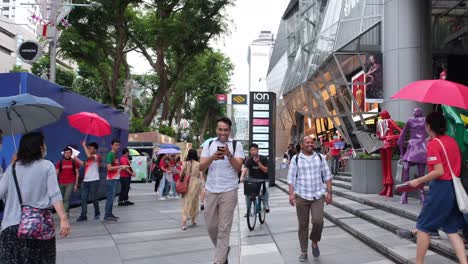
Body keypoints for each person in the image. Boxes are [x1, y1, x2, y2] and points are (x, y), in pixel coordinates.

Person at [403, 112, 467, 264]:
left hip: (440, 188)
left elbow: (439, 171)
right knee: (451, 229)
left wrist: (417, 181)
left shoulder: (433, 144)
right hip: (453, 188)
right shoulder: (452, 141)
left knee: (423, 227)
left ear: (429, 126)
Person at [0, 132, 70, 263]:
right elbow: (54, 193)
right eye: (44, 144)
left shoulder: (12, 168)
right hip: (39, 227)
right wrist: (63, 218)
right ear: (39, 147)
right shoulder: (47, 166)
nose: (45, 147)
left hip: (11, 229)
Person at [200, 117, 244, 264]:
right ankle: (223, 251)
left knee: (224, 228)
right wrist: (212, 156)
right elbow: (201, 167)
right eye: (220, 129)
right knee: (212, 227)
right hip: (211, 190)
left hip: (229, 190)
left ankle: (219, 261)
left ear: (230, 130)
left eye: (226, 130)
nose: (223, 133)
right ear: (216, 130)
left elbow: (238, 168)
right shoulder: (209, 144)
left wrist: (229, 155)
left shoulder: (237, 145)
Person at [287, 135, 332, 262]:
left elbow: (327, 176)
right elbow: (291, 179)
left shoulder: (320, 157)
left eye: (312, 142)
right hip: (301, 196)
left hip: (318, 195)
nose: (310, 144)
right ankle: (304, 251)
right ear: (302, 144)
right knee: (303, 225)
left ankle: (314, 242)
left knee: (318, 221)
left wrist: (329, 192)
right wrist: (291, 194)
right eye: (307, 142)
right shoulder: (296, 159)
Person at [240, 143, 270, 216]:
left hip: (263, 179)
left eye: (254, 150)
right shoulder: (249, 160)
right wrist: (241, 177)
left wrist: (258, 162)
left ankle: (266, 204)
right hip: (253, 180)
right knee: (248, 194)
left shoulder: (263, 158)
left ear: (258, 150)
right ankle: (248, 211)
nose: (253, 151)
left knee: (264, 190)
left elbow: (265, 170)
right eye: (251, 150)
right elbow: (245, 169)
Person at [377, 110, 401, 197]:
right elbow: (378, 134)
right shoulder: (379, 122)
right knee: (384, 167)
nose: (381, 116)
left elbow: (401, 132)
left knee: (388, 167)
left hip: (388, 145)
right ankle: (386, 187)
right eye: (381, 115)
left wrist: (392, 136)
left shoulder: (390, 121)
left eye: (382, 114)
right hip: (382, 145)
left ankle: (390, 187)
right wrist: (379, 137)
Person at [77, 141, 101, 222]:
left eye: (91, 148)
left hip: (94, 180)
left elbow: (89, 156)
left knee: (94, 198)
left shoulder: (96, 156)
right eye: (89, 148)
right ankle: (83, 215)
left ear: (95, 150)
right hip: (85, 181)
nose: (89, 149)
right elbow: (83, 164)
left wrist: (84, 146)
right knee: (83, 199)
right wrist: (74, 157)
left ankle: (97, 213)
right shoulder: (88, 159)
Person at [181, 149, 204, 230]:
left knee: (186, 202)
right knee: (195, 201)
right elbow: (200, 175)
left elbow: (181, 174)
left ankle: (184, 222)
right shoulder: (198, 164)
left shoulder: (185, 163)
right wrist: (203, 185)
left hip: (186, 183)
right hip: (195, 184)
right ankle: (193, 219)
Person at [104, 139, 125, 222]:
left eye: (118, 145)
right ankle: (107, 215)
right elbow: (109, 168)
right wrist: (121, 167)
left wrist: (122, 167)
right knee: (110, 197)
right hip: (111, 179)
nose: (118, 146)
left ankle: (110, 214)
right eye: (116, 145)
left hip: (115, 178)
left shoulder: (115, 155)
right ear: (111, 145)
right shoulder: (110, 154)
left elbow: (115, 167)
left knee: (112, 198)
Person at [56, 147, 80, 216]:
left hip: (70, 183)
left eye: (69, 153)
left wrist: (76, 184)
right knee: (61, 199)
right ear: (64, 154)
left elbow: (77, 174)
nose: (67, 154)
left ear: (71, 154)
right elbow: (56, 173)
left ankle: (65, 213)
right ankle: (63, 211)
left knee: (66, 198)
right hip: (61, 182)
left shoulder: (74, 162)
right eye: (66, 153)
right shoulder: (59, 162)